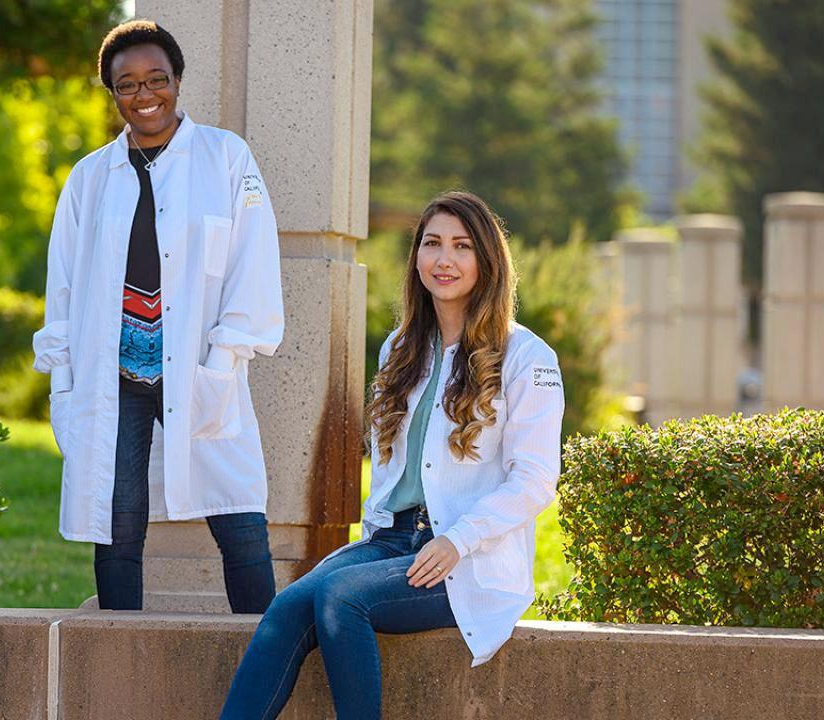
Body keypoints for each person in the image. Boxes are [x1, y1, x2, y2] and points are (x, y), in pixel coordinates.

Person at [220, 191, 565, 718]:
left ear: (487, 261)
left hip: (464, 556)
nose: (444, 259)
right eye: (432, 244)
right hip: (392, 540)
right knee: (287, 609)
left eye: (461, 246)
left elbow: (536, 479)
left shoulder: (526, 356)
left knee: (342, 598)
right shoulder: (401, 347)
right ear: (417, 258)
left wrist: (457, 540)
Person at [33, 19, 285, 613]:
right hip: (113, 374)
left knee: (239, 517)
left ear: (177, 80)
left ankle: (265, 647)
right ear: (111, 93)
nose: (145, 96)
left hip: (199, 366)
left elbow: (253, 258)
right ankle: (120, 665)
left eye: (157, 79)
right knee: (118, 526)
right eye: (127, 85)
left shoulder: (226, 157)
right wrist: (64, 375)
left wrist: (224, 357)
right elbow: (63, 283)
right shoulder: (89, 176)